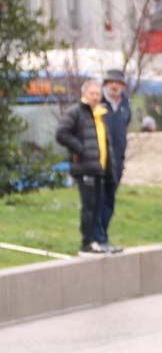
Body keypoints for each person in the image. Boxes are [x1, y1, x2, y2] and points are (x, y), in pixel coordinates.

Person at [56, 79, 113, 254]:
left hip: (98, 168)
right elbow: (61, 133)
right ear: (84, 94)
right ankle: (86, 243)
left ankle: (95, 240)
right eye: (92, 93)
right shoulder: (75, 112)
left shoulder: (99, 114)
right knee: (89, 206)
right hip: (85, 168)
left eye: (98, 94)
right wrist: (80, 148)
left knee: (97, 205)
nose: (95, 97)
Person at [99, 68, 131, 252]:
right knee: (99, 200)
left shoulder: (126, 105)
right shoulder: (98, 103)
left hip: (117, 162)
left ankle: (104, 236)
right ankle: (98, 238)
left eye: (118, 83)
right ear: (105, 84)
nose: (114, 86)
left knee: (110, 201)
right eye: (111, 82)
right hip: (101, 162)